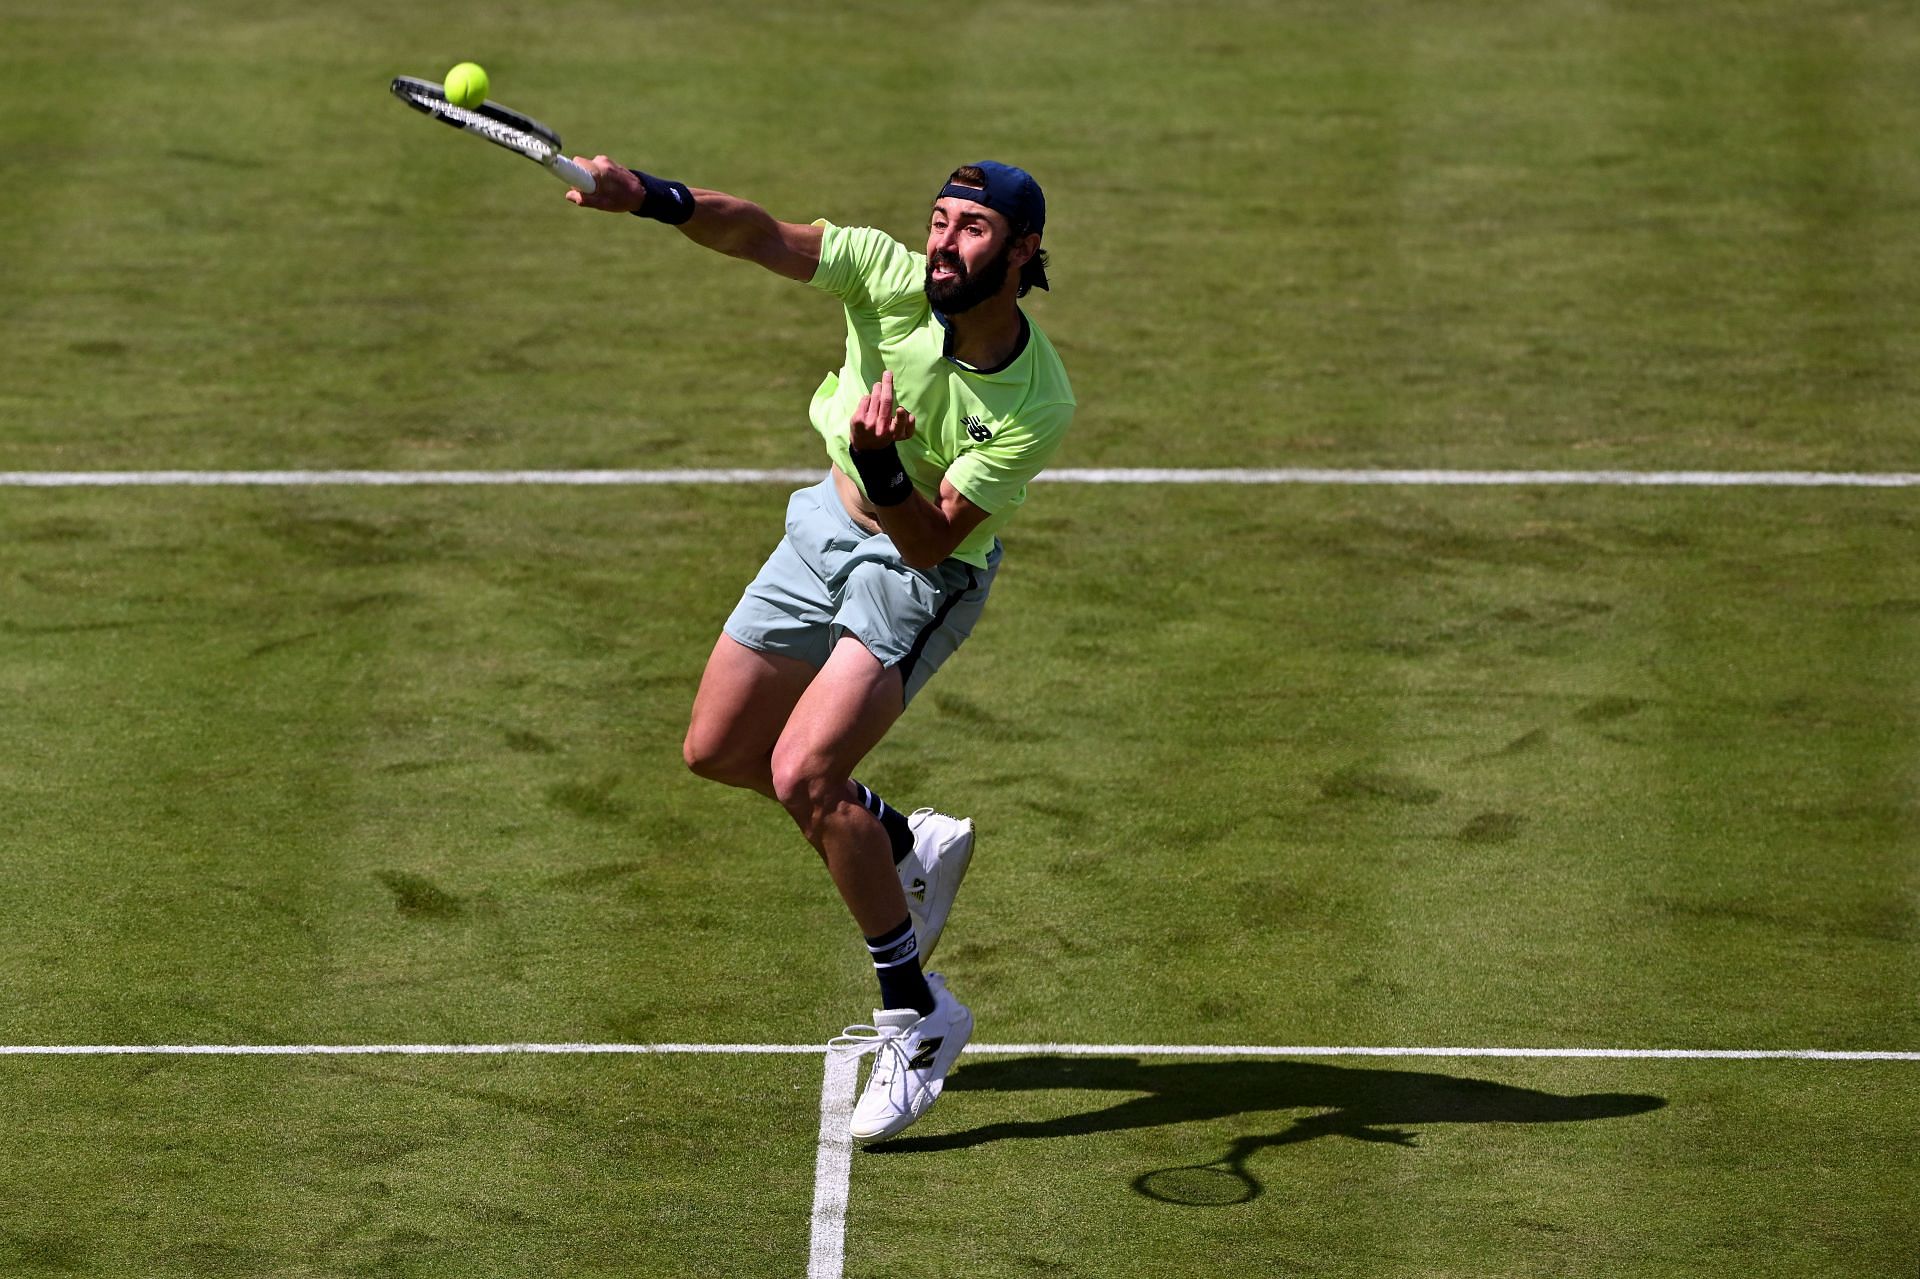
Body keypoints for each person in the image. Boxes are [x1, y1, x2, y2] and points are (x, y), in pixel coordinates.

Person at [565, 155, 1075, 1143]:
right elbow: (761, 233)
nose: (942, 242)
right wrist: (650, 197)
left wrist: (885, 462)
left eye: (970, 230)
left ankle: (918, 1014)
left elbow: (932, 539)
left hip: (917, 574)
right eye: (938, 220)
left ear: (1022, 254)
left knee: (805, 769)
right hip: (823, 529)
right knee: (717, 749)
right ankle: (898, 843)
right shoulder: (886, 279)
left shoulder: (1033, 401)